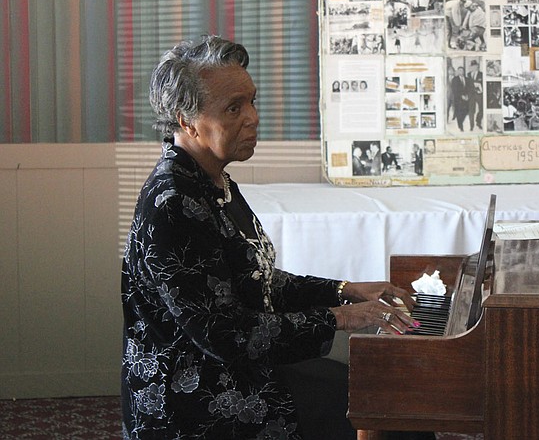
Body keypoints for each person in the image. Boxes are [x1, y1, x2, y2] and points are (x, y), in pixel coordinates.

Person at [121, 35, 430, 440]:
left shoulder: (211, 181)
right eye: (234, 107)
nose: (252, 117)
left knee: (388, 397)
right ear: (186, 119)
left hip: (235, 373)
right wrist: (344, 317)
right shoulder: (174, 202)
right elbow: (226, 335)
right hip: (195, 401)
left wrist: (346, 290)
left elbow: (256, 281)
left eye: (252, 101)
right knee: (385, 406)